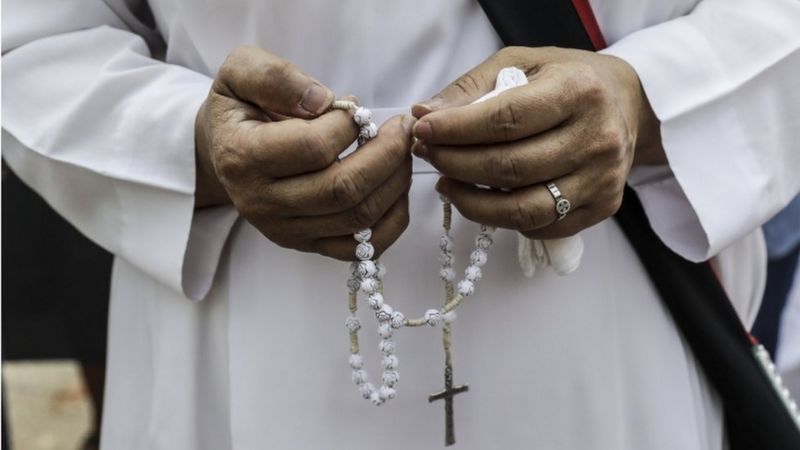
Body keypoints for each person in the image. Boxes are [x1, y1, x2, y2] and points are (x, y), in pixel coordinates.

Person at [3, 0, 799, 448]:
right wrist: (187, 143)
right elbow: (32, 40)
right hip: (245, 340)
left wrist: (652, 100)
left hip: (610, 322)